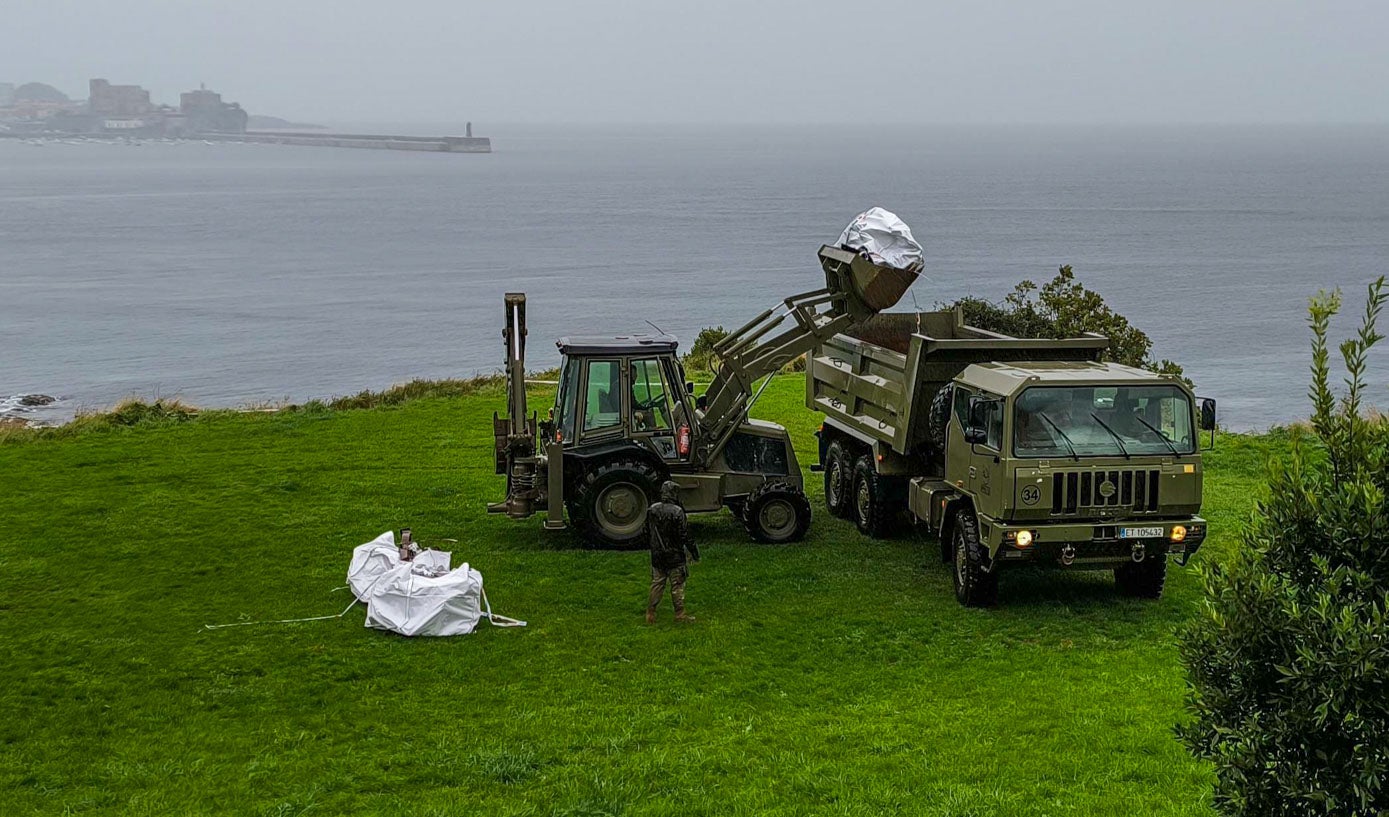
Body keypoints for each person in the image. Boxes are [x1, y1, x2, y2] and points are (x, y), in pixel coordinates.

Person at [646, 480, 699, 623]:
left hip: (657, 554)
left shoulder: (652, 509)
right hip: (675, 555)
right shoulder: (677, 512)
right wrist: (694, 552)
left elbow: (647, 531)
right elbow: (685, 535)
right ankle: (680, 613)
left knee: (657, 583)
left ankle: (650, 612)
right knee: (678, 584)